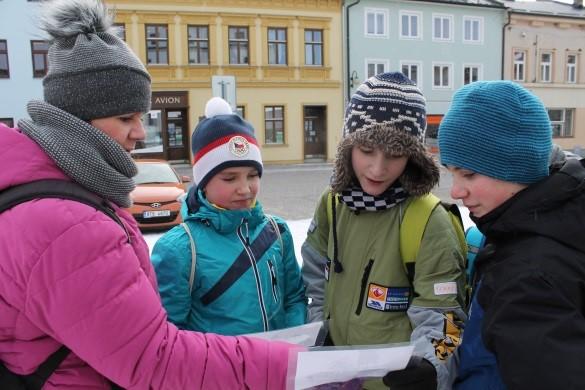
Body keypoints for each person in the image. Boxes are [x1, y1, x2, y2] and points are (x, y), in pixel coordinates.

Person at [0, 0, 300, 388]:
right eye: (127, 117)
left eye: (140, 117)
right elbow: (156, 359)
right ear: (78, 117)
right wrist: (285, 364)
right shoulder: (67, 223)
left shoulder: (71, 192)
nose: (140, 133)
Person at [301, 72, 467, 390]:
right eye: (366, 150)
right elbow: (313, 283)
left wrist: (430, 366)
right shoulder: (331, 204)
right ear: (347, 147)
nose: (378, 169)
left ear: (414, 156)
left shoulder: (430, 222)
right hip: (334, 379)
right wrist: (319, 340)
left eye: (394, 155)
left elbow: (446, 319)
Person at [438, 80, 585, 389]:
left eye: (468, 174)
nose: (456, 191)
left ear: (515, 167)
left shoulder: (530, 273)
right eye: (451, 172)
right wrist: (436, 363)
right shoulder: (515, 227)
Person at [151, 97, 307, 335]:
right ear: (203, 182)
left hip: (277, 366)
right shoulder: (180, 249)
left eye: (252, 175)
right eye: (229, 178)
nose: (245, 188)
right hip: (220, 370)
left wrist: (291, 343)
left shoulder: (277, 232)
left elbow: (294, 297)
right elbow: (171, 333)